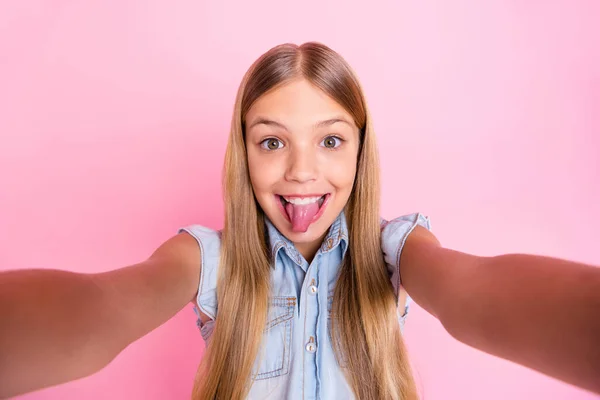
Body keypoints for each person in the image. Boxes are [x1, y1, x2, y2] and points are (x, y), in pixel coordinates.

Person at [0, 42, 599, 400]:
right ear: (243, 153)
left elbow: (478, 293)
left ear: (362, 151)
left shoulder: (395, 251)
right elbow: (99, 307)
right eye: (271, 143)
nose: (302, 173)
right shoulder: (209, 260)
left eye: (331, 140)